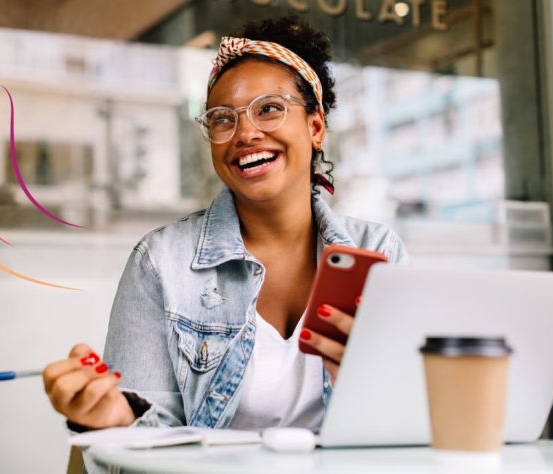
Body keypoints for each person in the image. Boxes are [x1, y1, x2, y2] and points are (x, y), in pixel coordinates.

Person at [43, 14, 407, 441]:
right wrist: (115, 417)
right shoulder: (161, 262)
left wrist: (369, 386)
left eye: (269, 109)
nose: (245, 133)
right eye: (222, 119)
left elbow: (411, 426)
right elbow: (143, 440)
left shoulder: (378, 252)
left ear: (315, 127)